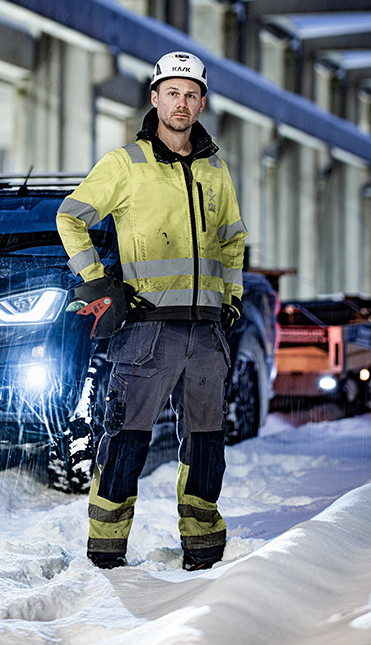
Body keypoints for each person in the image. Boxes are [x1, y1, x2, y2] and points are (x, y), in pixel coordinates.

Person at [56, 51, 247, 571]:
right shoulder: (126, 164)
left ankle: (203, 549)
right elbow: (70, 217)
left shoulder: (215, 169)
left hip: (206, 334)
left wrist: (230, 304)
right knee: (125, 441)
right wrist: (96, 281)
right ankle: (106, 554)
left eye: (191, 95)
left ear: (201, 102)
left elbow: (233, 243)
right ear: (156, 97)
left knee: (206, 444)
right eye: (172, 93)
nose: (181, 103)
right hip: (147, 330)